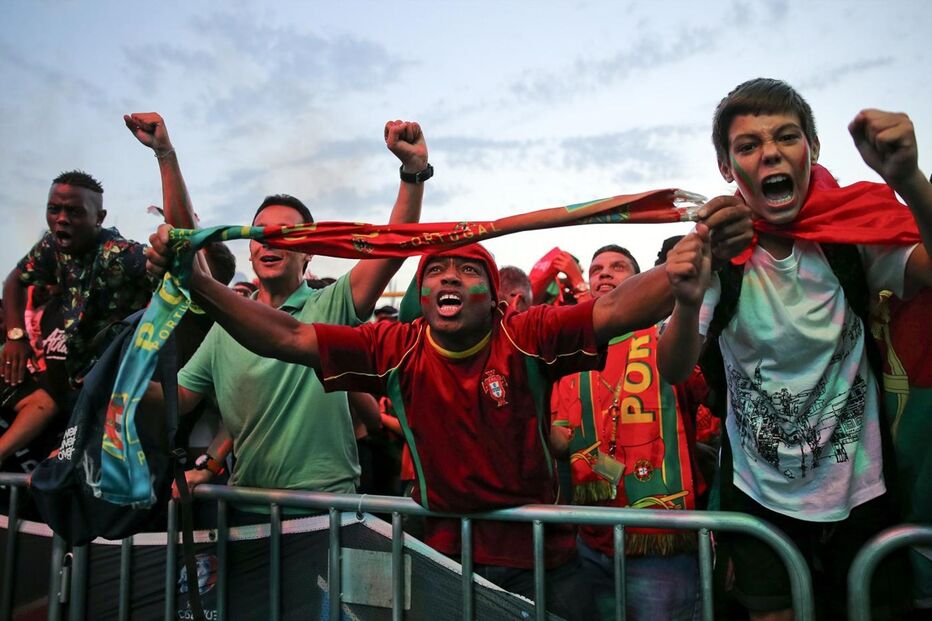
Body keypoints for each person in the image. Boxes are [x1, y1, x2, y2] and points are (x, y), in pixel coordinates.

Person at [145, 194, 750, 618]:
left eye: (468, 269)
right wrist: (200, 285)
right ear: (422, 294)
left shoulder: (526, 334)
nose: (450, 279)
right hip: (444, 560)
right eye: (436, 270)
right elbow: (288, 337)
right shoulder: (397, 345)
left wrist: (690, 258)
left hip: (542, 559)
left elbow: (616, 310)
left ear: (493, 296)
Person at [658, 78, 932, 620]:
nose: (770, 153)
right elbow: (673, 367)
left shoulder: (851, 235)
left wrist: (908, 179)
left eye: (786, 136)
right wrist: (687, 304)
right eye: (747, 145)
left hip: (862, 491)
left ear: (813, 149)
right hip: (758, 496)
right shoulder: (719, 251)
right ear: (726, 168)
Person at [142, 118, 430, 514]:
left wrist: (413, 174)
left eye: (285, 234)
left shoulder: (330, 307)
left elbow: (392, 246)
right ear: (251, 251)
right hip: (247, 510)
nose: (270, 241)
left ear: (309, 251)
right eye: (261, 234)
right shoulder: (226, 326)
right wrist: (120, 384)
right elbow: (182, 397)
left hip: (326, 514)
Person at [549, 244, 703, 621]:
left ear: (639, 281)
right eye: (597, 268)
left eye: (618, 267)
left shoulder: (667, 337)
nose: (604, 273)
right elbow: (561, 440)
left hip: (661, 547)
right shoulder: (571, 356)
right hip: (592, 541)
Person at [2, 171, 156, 389]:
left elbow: (181, 281)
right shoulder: (51, 247)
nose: (62, 219)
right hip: (73, 380)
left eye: (75, 212)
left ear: (99, 218)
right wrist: (16, 336)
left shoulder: (123, 256)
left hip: (121, 384)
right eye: (54, 210)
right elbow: (15, 281)